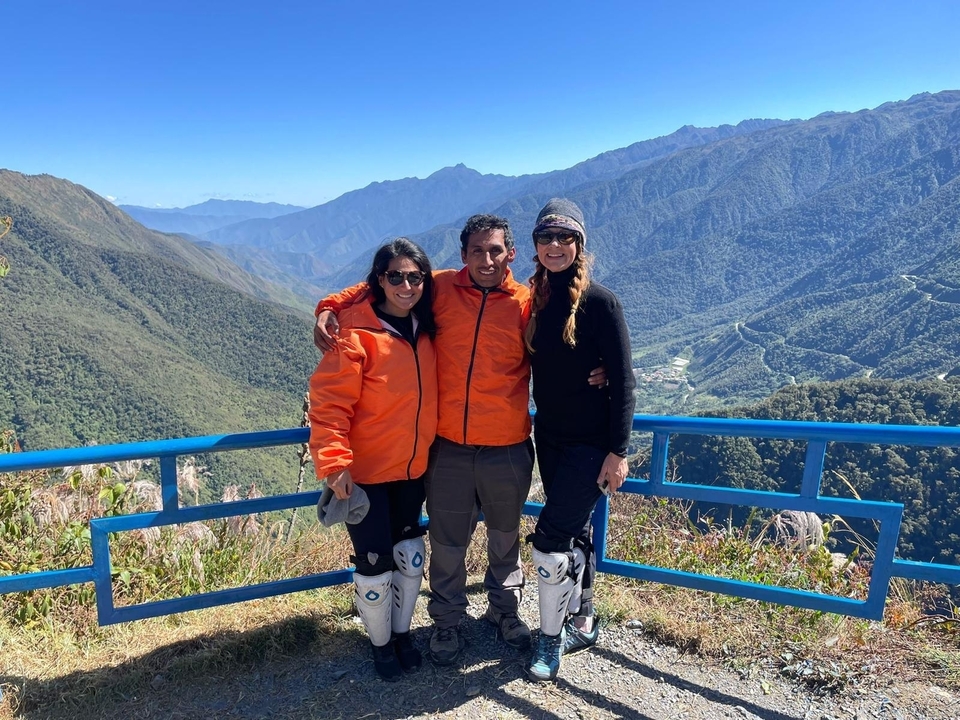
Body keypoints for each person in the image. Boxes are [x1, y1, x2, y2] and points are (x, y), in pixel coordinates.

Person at [315, 215, 607, 667]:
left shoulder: (529, 302)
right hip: (447, 446)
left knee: (504, 537)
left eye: (495, 251)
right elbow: (385, 284)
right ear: (462, 254)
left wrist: (597, 372)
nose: (486, 260)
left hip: (507, 444)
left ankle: (505, 613)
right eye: (477, 251)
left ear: (511, 254)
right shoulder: (440, 287)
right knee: (448, 542)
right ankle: (446, 621)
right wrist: (330, 307)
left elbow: (570, 338)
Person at [308, 237, 438, 682]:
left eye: (414, 276)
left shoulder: (428, 321)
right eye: (394, 276)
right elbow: (328, 406)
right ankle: (381, 646)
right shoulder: (354, 334)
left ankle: (401, 634)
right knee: (374, 563)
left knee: (409, 554)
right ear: (378, 280)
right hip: (363, 475)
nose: (405, 285)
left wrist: (328, 302)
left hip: (412, 470)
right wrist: (334, 464)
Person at [523, 198, 636, 682]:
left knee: (549, 540)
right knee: (577, 532)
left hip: (591, 445)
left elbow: (626, 380)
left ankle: (550, 639)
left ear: (579, 245)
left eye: (564, 238)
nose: (555, 246)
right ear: (535, 245)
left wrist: (618, 452)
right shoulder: (536, 298)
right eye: (546, 237)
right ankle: (585, 619)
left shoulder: (600, 303)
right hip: (548, 438)